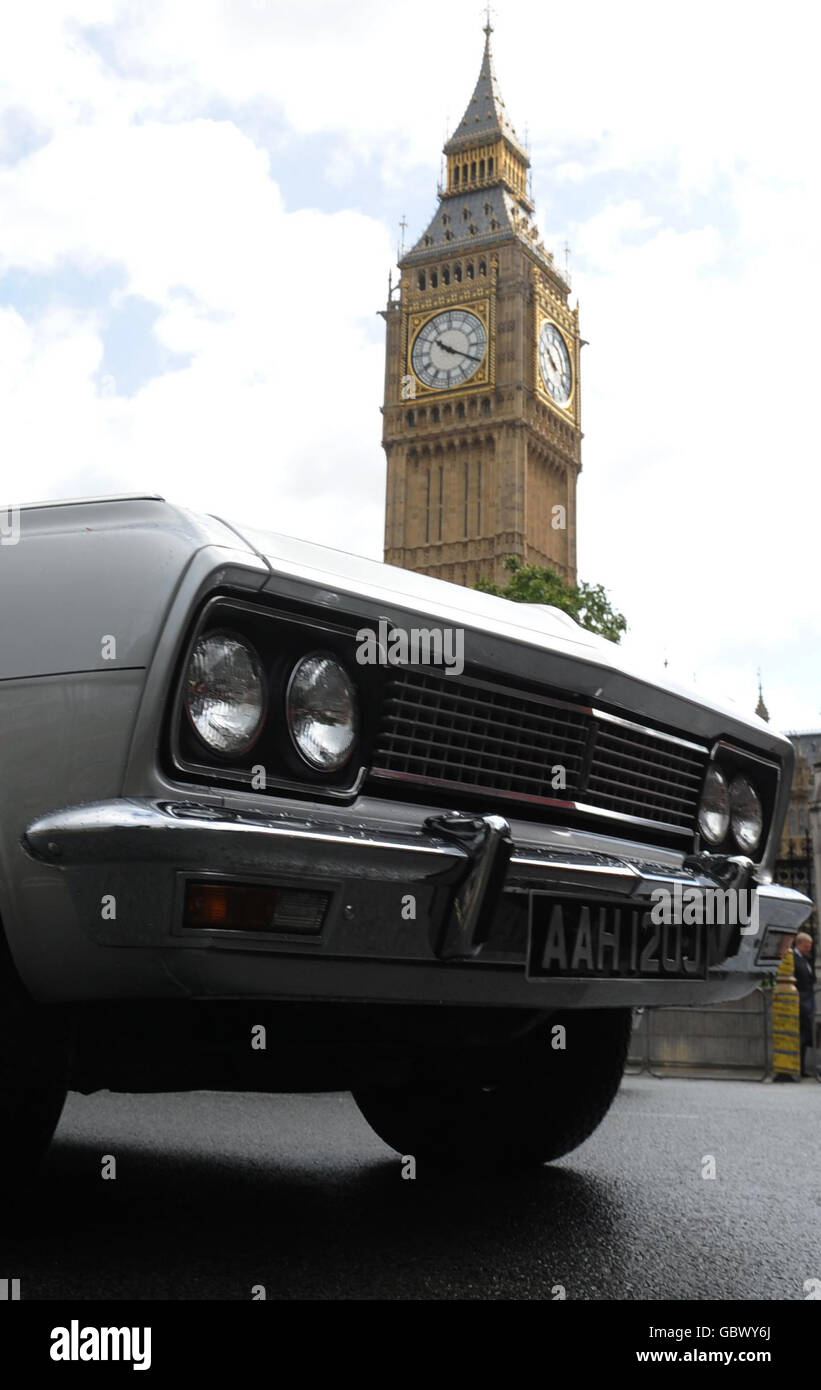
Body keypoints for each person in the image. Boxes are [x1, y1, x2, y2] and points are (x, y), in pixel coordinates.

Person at [792, 931, 817, 1078]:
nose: (809, 948)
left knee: (806, 1035)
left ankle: (802, 1068)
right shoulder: (793, 959)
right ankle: (798, 1068)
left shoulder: (807, 959)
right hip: (800, 1002)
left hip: (809, 1002)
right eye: (807, 946)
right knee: (801, 1035)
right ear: (800, 944)